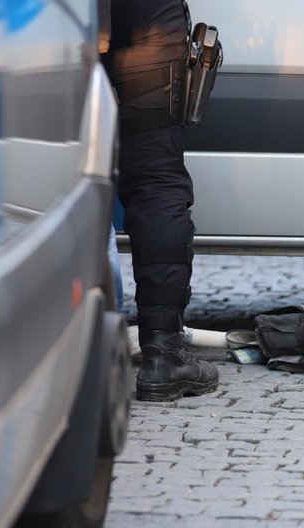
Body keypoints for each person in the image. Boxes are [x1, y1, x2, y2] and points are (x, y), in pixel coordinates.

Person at [99, 0, 219, 401]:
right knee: (154, 177)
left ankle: (67, 347)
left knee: (55, 166)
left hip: (50, 19)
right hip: (144, 18)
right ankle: (163, 354)